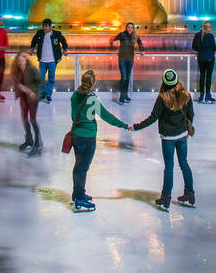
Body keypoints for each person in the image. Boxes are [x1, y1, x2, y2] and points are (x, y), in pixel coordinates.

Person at [130, 69, 196, 210]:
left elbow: (153, 117)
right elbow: (191, 114)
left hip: (168, 138)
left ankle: (165, 198)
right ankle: (190, 194)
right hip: (182, 135)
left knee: (169, 166)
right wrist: (185, 128)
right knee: (184, 163)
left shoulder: (162, 98)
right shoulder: (185, 95)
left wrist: (136, 127)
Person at [68, 69, 131, 212]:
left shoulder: (74, 95)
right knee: (82, 168)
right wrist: (124, 125)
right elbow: (107, 116)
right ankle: (79, 199)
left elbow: (73, 115)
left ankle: (78, 193)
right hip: (88, 138)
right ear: (93, 83)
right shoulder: (92, 99)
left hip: (76, 136)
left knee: (79, 166)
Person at [28, 18, 67, 103]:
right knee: (41, 78)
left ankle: (48, 95)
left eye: (46, 26)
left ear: (50, 27)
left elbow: (63, 41)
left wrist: (65, 49)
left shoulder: (56, 34)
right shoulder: (39, 33)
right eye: (43, 26)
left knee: (51, 79)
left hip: (52, 61)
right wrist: (32, 48)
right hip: (42, 61)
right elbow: (33, 41)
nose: (44, 28)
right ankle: (42, 94)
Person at [11, 52, 43, 155]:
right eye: (18, 61)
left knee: (32, 119)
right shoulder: (16, 71)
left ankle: (38, 142)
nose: (20, 62)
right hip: (23, 98)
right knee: (24, 118)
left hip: (32, 97)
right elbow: (17, 83)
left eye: (22, 60)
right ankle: (29, 139)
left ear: (26, 60)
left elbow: (39, 82)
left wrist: (33, 93)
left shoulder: (32, 69)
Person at [110, 22, 145, 104]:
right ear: (126, 28)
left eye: (131, 27)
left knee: (128, 77)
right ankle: (122, 96)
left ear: (133, 29)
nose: (130, 29)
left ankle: (125, 95)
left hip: (130, 59)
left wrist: (142, 50)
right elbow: (113, 39)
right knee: (124, 77)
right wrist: (112, 44)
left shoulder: (135, 36)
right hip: (122, 58)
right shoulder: (122, 34)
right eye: (128, 27)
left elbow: (140, 42)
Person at [191, 20, 216, 102]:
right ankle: (208, 96)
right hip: (210, 58)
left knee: (202, 76)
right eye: (210, 27)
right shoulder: (210, 36)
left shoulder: (197, 35)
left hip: (201, 58)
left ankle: (201, 96)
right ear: (208, 28)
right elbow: (214, 47)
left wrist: (200, 50)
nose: (211, 29)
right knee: (208, 77)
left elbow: (193, 47)